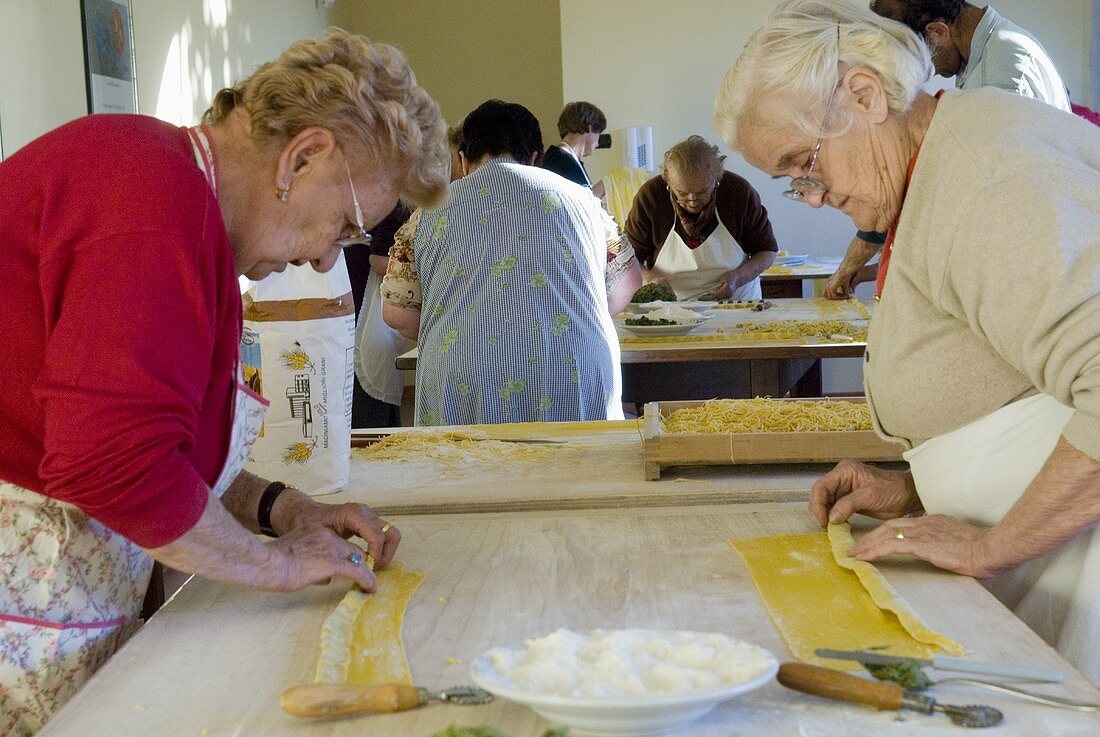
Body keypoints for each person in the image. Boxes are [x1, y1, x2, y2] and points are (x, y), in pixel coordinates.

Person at [0, 30, 449, 735]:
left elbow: (160, 446)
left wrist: (278, 508)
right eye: (346, 226)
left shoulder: (183, 206)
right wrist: (278, 566)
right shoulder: (150, 204)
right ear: (302, 156)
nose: (324, 254)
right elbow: (113, 466)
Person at [714, 0, 1100, 680]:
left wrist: (992, 544)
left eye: (803, 164)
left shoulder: (986, 176)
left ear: (863, 96)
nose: (809, 196)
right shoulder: (945, 162)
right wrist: (919, 490)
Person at [381, 99, 641, 426]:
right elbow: (628, 280)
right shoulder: (587, 203)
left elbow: (398, 312)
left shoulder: (426, 215)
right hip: (572, 371)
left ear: (462, 160)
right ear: (535, 157)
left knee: (464, 472)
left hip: (463, 379)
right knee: (576, 473)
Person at [823, 0, 1073, 300]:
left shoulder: (1000, 76)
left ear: (938, 32)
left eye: (919, 57)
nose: (926, 72)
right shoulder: (983, 57)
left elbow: (989, 216)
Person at [624, 135, 777, 302]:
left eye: (702, 192)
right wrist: (650, 281)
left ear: (716, 181)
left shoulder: (738, 192)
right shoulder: (651, 197)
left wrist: (737, 278)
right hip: (671, 307)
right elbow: (628, 257)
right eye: (682, 193)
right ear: (668, 183)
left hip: (736, 302)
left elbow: (766, 251)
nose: (692, 200)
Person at [352, 202, 414, 428]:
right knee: (371, 414)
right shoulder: (397, 202)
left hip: (363, 312)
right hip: (368, 318)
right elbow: (379, 260)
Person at [540, 101, 607, 198]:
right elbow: (579, 204)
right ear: (590, 127)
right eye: (599, 133)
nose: (597, 143)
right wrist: (608, 183)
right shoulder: (559, 160)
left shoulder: (563, 158)